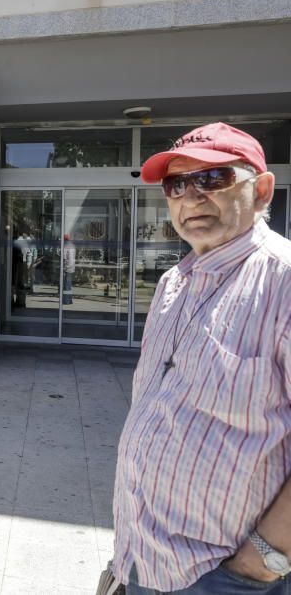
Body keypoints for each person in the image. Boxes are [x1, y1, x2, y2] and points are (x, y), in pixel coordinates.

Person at [112, 122, 290, 594]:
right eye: (176, 184)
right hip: (141, 559)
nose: (191, 197)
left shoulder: (284, 281)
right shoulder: (174, 283)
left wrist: (263, 561)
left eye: (213, 179)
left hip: (225, 577)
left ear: (262, 189)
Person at [61, 233, 75, 305]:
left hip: (67, 267)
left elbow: (64, 258)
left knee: (66, 284)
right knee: (69, 284)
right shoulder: (72, 245)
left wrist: (63, 267)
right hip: (72, 266)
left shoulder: (65, 246)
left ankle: (66, 300)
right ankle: (70, 300)